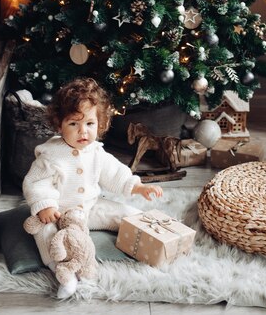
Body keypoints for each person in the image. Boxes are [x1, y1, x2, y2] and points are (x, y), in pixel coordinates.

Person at [23, 77, 162, 298]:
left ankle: (152, 233)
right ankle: (61, 270)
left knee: (124, 213)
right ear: (60, 125)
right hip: (57, 213)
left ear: (101, 124)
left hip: (88, 208)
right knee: (45, 234)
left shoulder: (96, 152)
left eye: (89, 124)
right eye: (73, 124)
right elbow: (36, 182)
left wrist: (136, 186)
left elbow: (114, 172)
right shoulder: (50, 155)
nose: (83, 132)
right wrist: (45, 205)